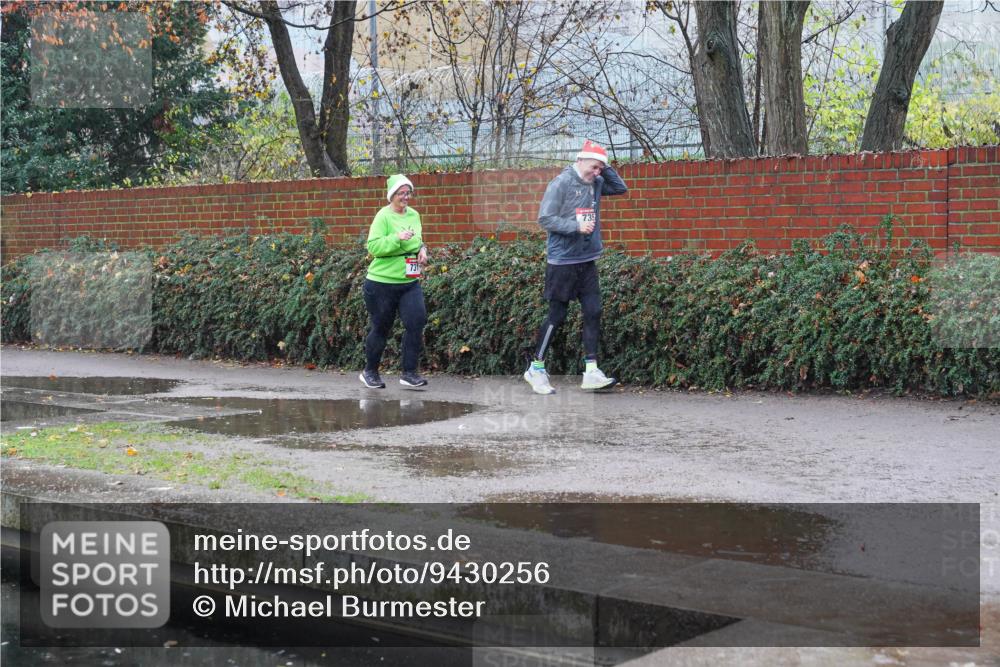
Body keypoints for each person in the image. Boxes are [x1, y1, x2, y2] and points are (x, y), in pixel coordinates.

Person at [523, 140, 628, 395]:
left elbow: (620, 188)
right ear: (580, 161)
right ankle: (535, 368)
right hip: (562, 261)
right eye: (594, 167)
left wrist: (604, 164)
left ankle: (591, 370)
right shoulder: (561, 183)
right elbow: (545, 218)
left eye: (600, 169)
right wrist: (576, 227)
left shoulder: (598, 181)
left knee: (593, 311)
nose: (597, 173)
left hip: (587, 259)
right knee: (557, 316)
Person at [359, 174, 429, 389]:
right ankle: (370, 371)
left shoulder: (414, 215)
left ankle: (409, 373)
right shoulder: (383, 217)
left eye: (408, 193)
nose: (405, 197)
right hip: (381, 282)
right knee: (381, 327)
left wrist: (423, 250)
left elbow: (418, 240)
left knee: (416, 322)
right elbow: (373, 247)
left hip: (409, 281)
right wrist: (397, 238)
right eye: (401, 193)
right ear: (392, 195)